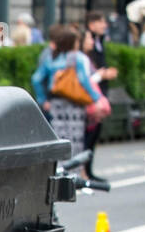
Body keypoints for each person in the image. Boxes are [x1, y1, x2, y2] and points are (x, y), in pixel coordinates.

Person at [33, 27, 101, 174]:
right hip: (74, 105)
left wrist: (43, 100)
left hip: (55, 104)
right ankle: (73, 174)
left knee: (58, 139)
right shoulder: (76, 58)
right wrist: (96, 98)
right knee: (74, 141)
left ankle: (57, 171)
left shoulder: (51, 57)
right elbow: (84, 81)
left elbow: (36, 79)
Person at [82, 24, 118, 176]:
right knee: (83, 140)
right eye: (88, 38)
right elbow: (85, 81)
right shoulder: (80, 58)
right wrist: (100, 77)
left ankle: (87, 172)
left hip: (90, 102)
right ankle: (83, 173)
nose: (91, 41)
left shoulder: (87, 57)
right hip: (85, 103)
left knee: (89, 139)